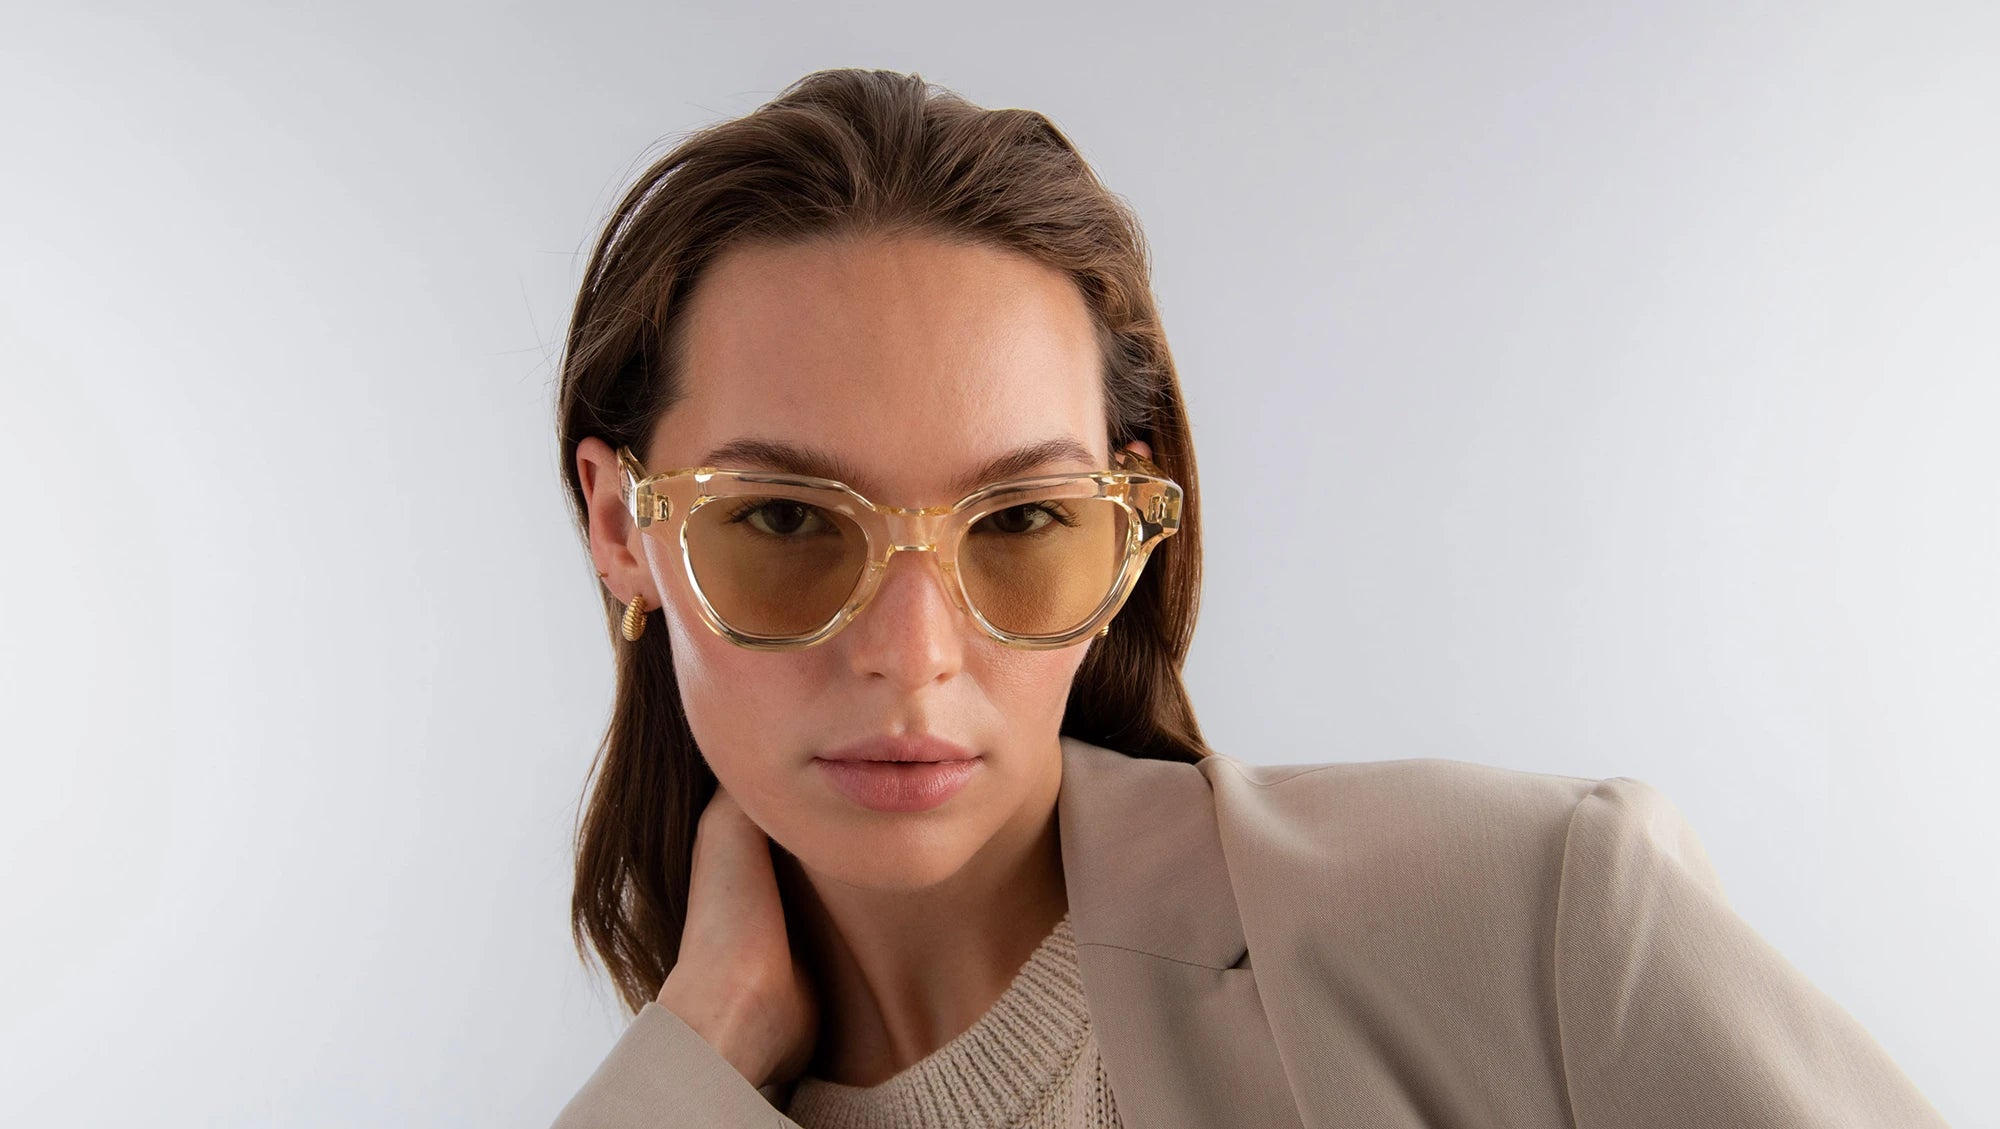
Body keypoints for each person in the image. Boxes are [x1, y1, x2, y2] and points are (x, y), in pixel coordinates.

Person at [548, 68, 1949, 1128]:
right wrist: (699, 1048)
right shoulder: (683, 1095)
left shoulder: (1525, 920)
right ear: (623, 526)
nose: (914, 658)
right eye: (787, 521)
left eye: (1024, 520)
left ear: (1129, 531)